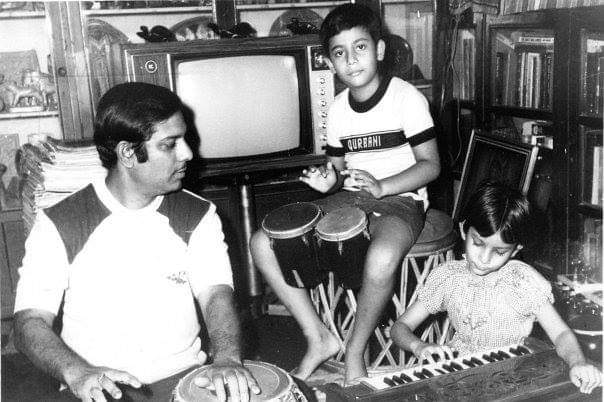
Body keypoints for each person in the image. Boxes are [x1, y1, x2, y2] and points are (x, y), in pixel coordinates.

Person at [12, 82, 260, 402]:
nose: (187, 154)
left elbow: (216, 296)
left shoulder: (198, 215)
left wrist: (226, 358)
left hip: (183, 380)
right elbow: (29, 321)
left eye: (184, 139)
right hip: (97, 386)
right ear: (128, 153)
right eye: (169, 144)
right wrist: (77, 372)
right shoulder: (59, 223)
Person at [250, 3, 440, 384]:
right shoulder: (337, 109)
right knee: (262, 243)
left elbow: (430, 165)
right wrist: (327, 182)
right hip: (352, 198)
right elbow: (336, 170)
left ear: (380, 50)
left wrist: (383, 186)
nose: (351, 60)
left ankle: (355, 349)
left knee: (382, 255)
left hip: (401, 199)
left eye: (360, 48)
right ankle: (317, 336)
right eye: (339, 52)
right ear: (330, 61)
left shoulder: (407, 98)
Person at [391, 182, 602, 394]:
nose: (484, 259)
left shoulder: (522, 281)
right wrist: (419, 346)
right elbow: (400, 328)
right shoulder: (448, 277)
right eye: (478, 243)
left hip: (512, 379)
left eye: (499, 252)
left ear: (515, 249)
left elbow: (561, 334)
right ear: (465, 229)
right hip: (458, 378)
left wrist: (578, 362)